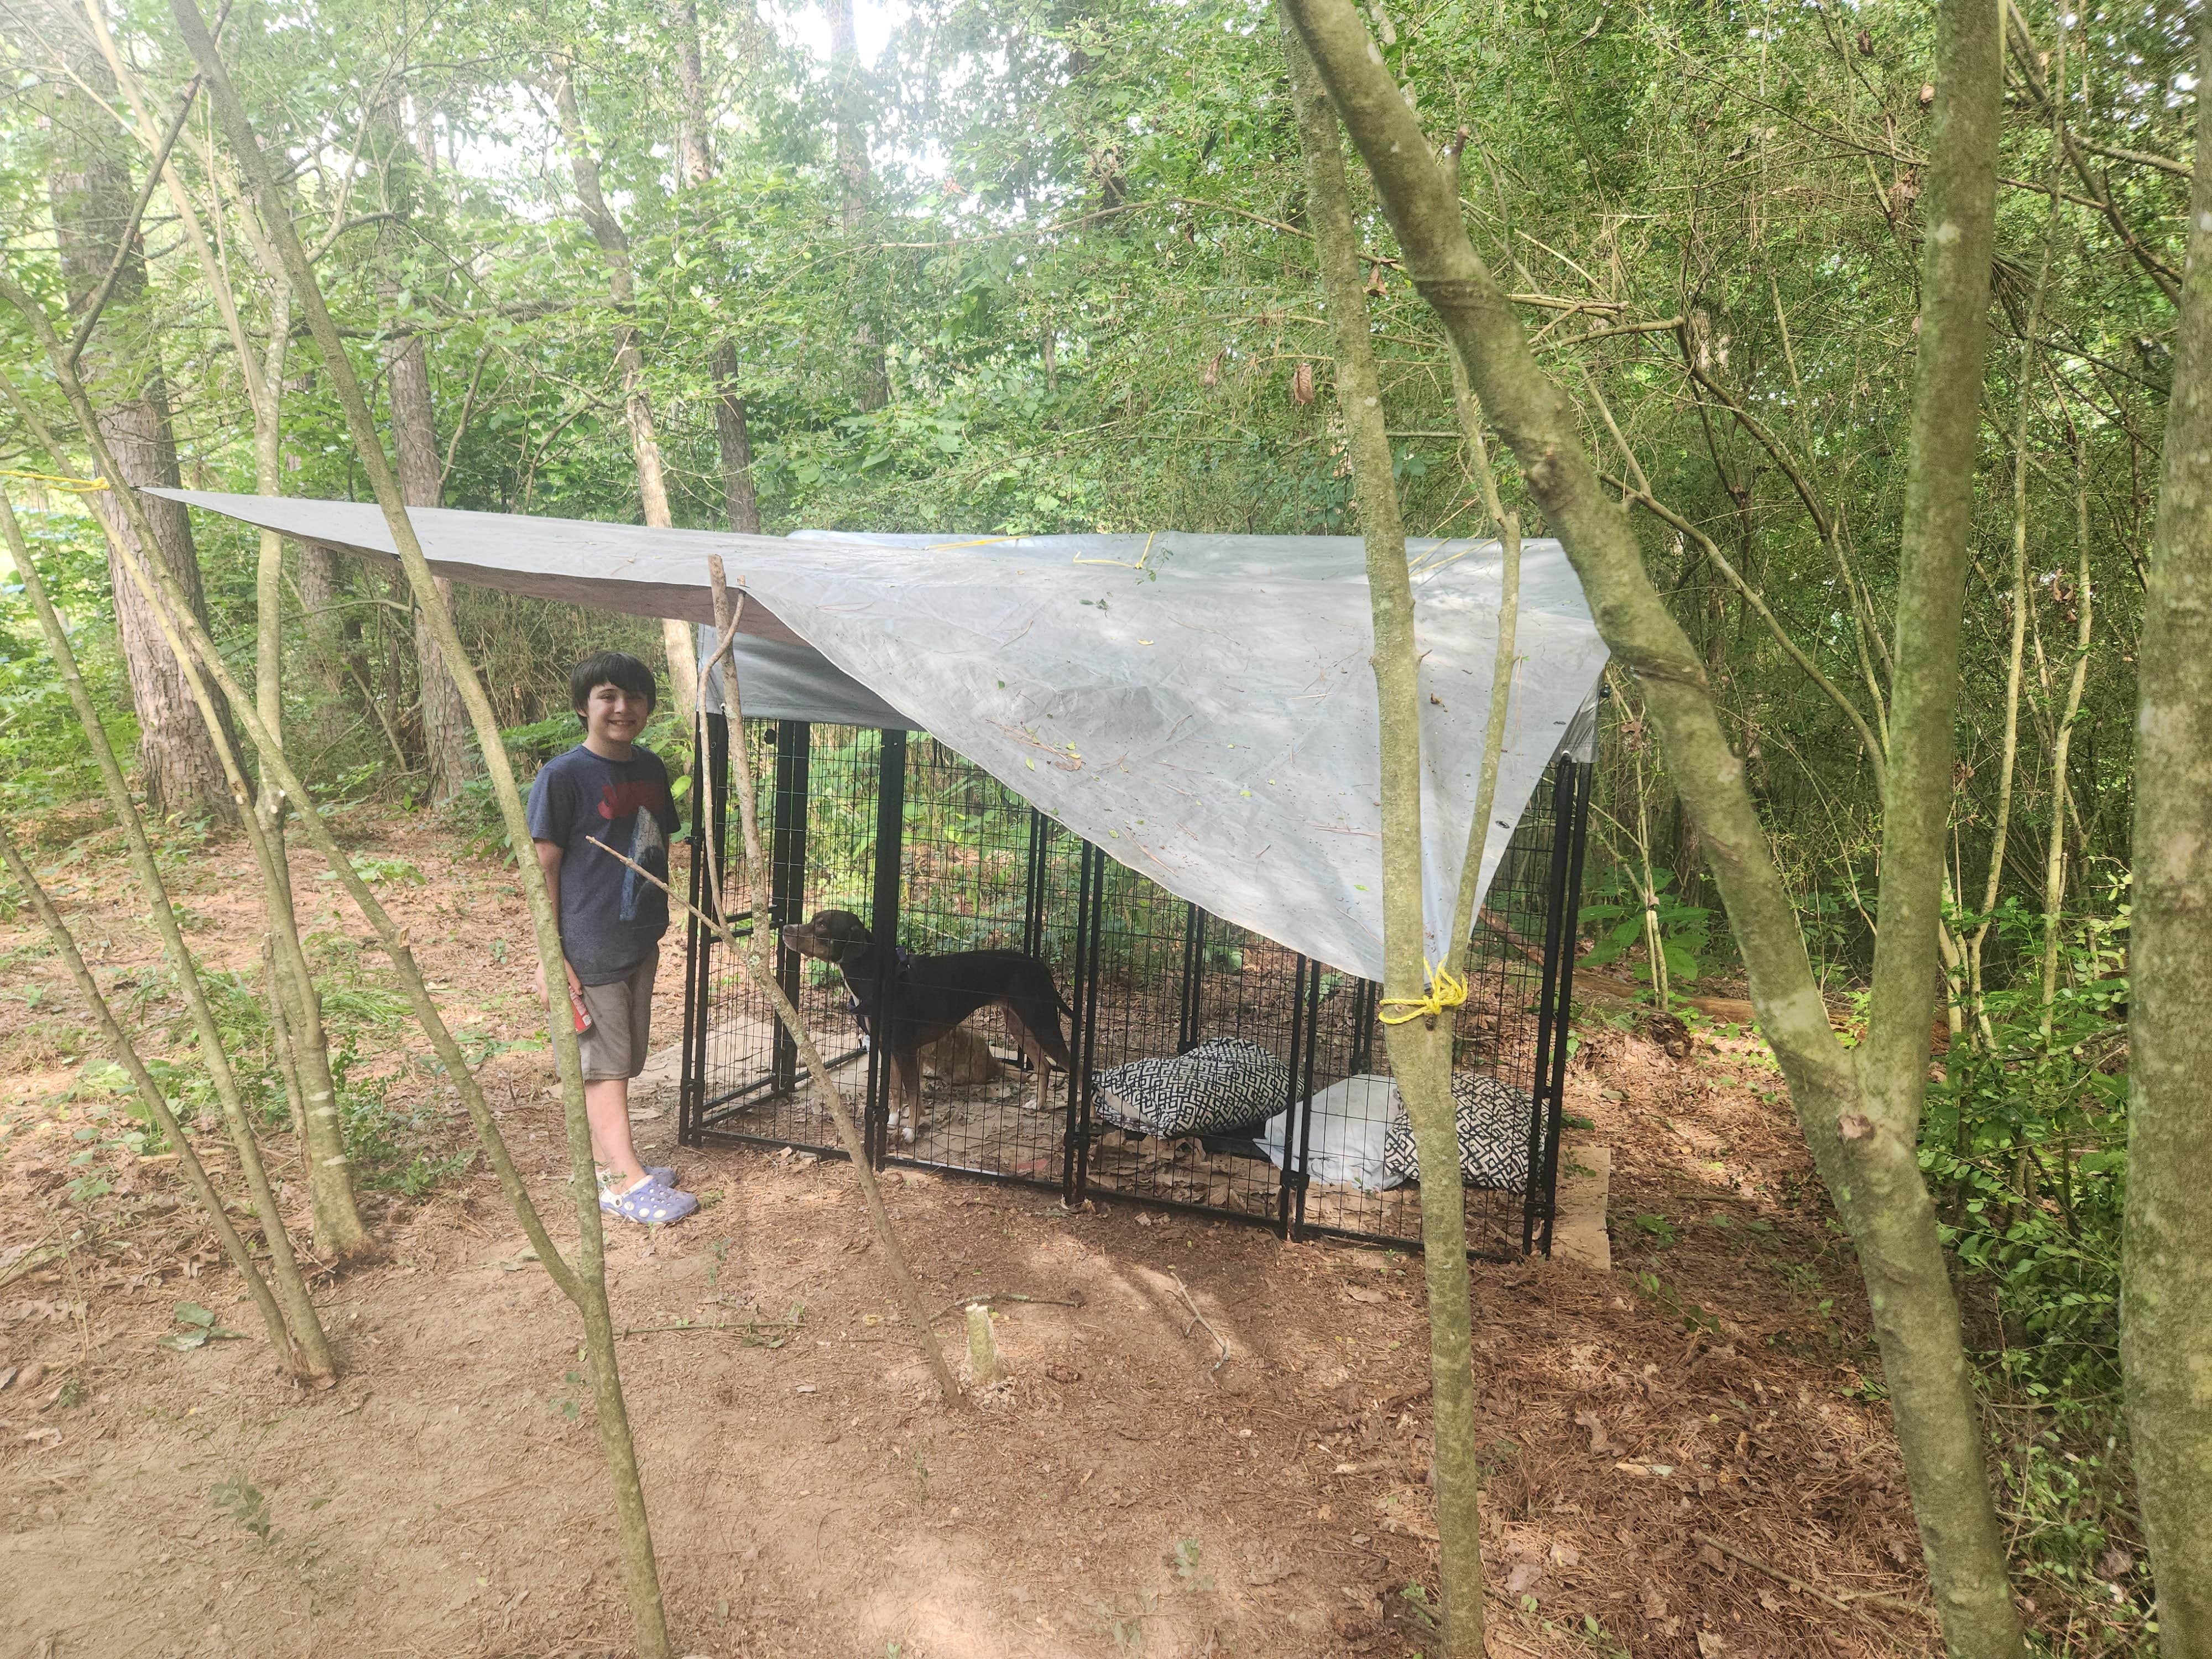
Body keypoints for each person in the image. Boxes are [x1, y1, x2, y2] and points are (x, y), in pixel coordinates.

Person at [526, 650, 698, 1225]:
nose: (622, 708)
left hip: (638, 938)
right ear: (583, 707)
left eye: (633, 697)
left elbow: (657, 842)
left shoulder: (648, 767)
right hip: (588, 944)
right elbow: (543, 868)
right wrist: (552, 957)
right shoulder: (562, 777)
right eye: (607, 697)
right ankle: (626, 1183)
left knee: (623, 1056)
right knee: (605, 1064)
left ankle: (610, 1167)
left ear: (647, 706)